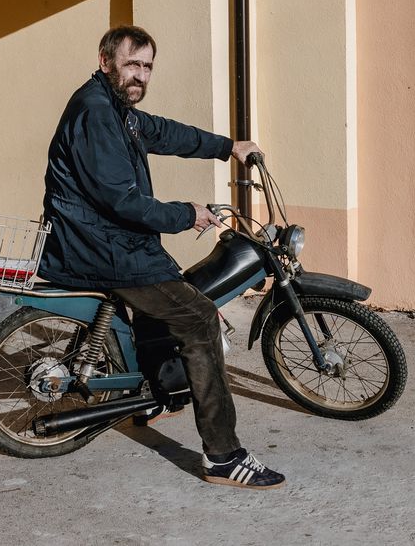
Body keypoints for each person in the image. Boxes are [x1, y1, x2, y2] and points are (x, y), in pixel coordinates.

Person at [38, 25, 286, 490]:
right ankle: (223, 456)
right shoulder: (95, 112)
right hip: (100, 248)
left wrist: (228, 147)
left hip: (110, 241)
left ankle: (150, 395)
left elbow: (164, 132)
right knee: (197, 316)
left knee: (168, 298)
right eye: (133, 63)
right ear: (106, 60)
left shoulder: (118, 110)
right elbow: (121, 200)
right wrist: (184, 215)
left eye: (148, 66)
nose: (140, 75)